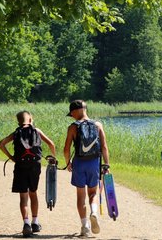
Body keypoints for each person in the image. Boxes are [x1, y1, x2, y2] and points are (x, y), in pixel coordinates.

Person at [0, 111, 56, 238]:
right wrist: (53, 158)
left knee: (23, 197)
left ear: (18, 122)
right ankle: (35, 223)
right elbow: (51, 144)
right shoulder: (37, 131)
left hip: (20, 166)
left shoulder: (16, 133)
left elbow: (1, 144)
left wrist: (12, 158)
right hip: (35, 166)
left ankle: (26, 224)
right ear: (30, 119)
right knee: (33, 193)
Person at [63, 100, 110, 237]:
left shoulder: (72, 127)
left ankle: (85, 226)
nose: (71, 116)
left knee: (80, 195)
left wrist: (68, 163)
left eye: (71, 113)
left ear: (74, 112)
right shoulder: (98, 125)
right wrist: (106, 165)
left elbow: (66, 149)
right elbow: (104, 147)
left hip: (79, 163)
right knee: (93, 193)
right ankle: (94, 212)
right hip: (94, 163)